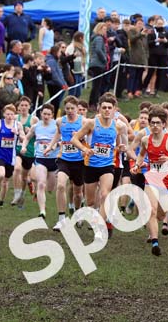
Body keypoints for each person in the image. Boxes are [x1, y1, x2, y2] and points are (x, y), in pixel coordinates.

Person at [71, 93, 129, 240]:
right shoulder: (91, 123)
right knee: (90, 201)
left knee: (105, 194)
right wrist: (84, 149)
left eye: (110, 108)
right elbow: (75, 139)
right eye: (104, 107)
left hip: (108, 165)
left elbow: (125, 145)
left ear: (115, 109)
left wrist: (122, 148)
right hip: (91, 165)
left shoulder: (119, 126)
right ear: (99, 109)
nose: (107, 110)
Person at [132, 105, 168, 255]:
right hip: (153, 177)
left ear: (164, 124)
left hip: (167, 178)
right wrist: (137, 165)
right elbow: (141, 155)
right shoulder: (145, 140)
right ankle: (155, 242)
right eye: (152, 123)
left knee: (161, 214)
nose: (154, 126)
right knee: (151, 210)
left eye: (158, 123)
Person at [47, 97, 85, 230]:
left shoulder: (83, 121)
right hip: (64, 159)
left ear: (77, 108)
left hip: (79, 161)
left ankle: (78, 213)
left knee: (78, 193)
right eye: (67, 108)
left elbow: (91, 136)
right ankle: (61, 219)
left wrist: (81, 136)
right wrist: (50, 146)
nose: (69, 111)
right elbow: (58, 134)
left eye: (72, 108)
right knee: (61, 186)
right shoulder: (60, 121)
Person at [0, 104, 23, 207]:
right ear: (4, 114)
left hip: (11, 157)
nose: (10, 116)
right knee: (1, 174)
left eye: (12, 114)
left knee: (6, 181)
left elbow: (24, 139)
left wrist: (18, 134)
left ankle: (1, 202)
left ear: (15, 115)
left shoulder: (18, 125)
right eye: (7, 114)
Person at [30, 104, 60, 219]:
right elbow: (27, 137)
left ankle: (44, 197)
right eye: (44, 114)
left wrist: (54, 146)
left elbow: (63, 141)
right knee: (41, 184)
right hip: (40, 159)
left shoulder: (57, 126)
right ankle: (42, 211)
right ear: (41, 114)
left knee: (50, 188)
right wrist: (23, 146)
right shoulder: (36, 126)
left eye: (48, 114)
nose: (46, 116)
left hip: (54, 160)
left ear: (52, 115)